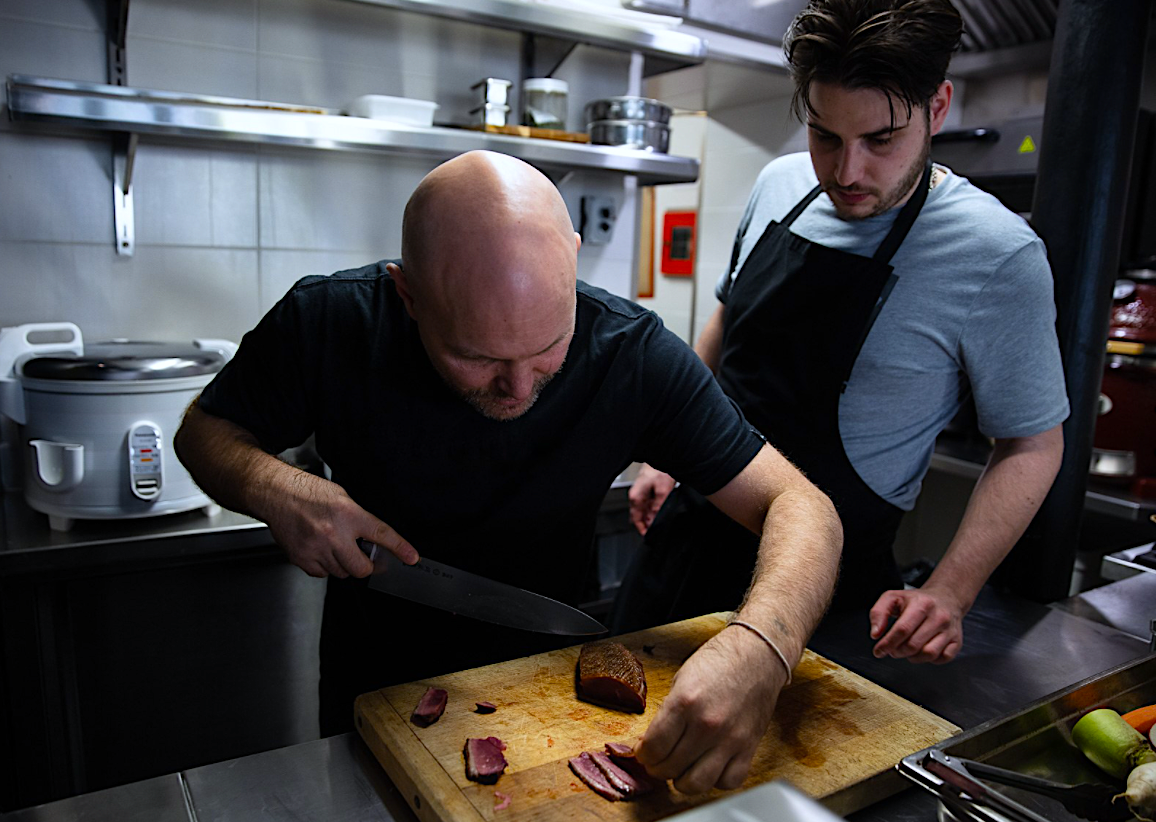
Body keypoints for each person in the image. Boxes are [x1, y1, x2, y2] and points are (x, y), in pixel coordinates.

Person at [174, 150, 842, 793]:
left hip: (552, 694)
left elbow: (801, 505)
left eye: (549, 348)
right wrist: (275, 487)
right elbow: (204, 432)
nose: (518, 388)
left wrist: (761, 647)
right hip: (369, 692)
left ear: (572, 259)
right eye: (477, 358)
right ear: (407, 293)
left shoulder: (630, 353)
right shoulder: (330, 322)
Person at [624, 0, 1067, 666]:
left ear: (937, 108)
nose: (847, 172)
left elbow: (1032, 444)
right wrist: (666, 449)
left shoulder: (996, 253)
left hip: (824, 595)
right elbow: (727, 321)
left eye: (881, 140)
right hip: (685, 539)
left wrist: (950, 592)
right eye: (825, 136)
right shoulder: (779, 185)